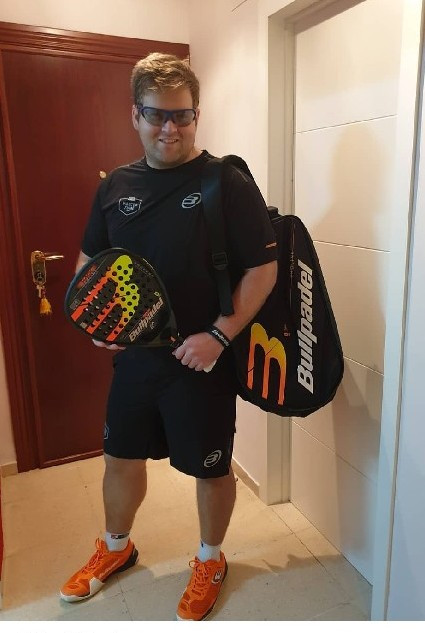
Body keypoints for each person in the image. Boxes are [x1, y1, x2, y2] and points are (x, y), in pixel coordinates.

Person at [60, 52, 277, 621]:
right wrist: (99, 319)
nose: (170, 128)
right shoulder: (116, 186)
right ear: (135, 114)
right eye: (157, 114)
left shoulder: (225, 182)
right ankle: (116, 546)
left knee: (210, 467)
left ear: (196, 115)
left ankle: (210, 559)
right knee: (120, 457)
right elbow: (91, 261)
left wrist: (220, 336)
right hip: (137, 359)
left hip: (202, 358)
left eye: (182, 115)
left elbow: (264, 269)